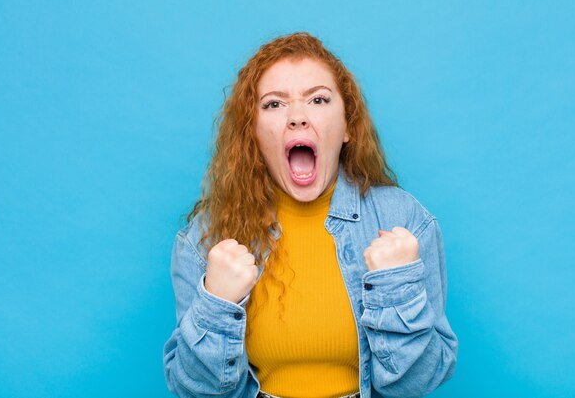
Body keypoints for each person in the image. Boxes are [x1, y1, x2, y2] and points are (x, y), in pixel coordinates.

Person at [162, 31, 458, 398]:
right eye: (274, 104)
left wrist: (396, 287)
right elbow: (194, 390)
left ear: (348, 126)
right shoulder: (205, 238)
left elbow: (420, 382)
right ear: (251, 133)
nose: (298, 118)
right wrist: (216, 302)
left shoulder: (403, 219)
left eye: (318, 99)